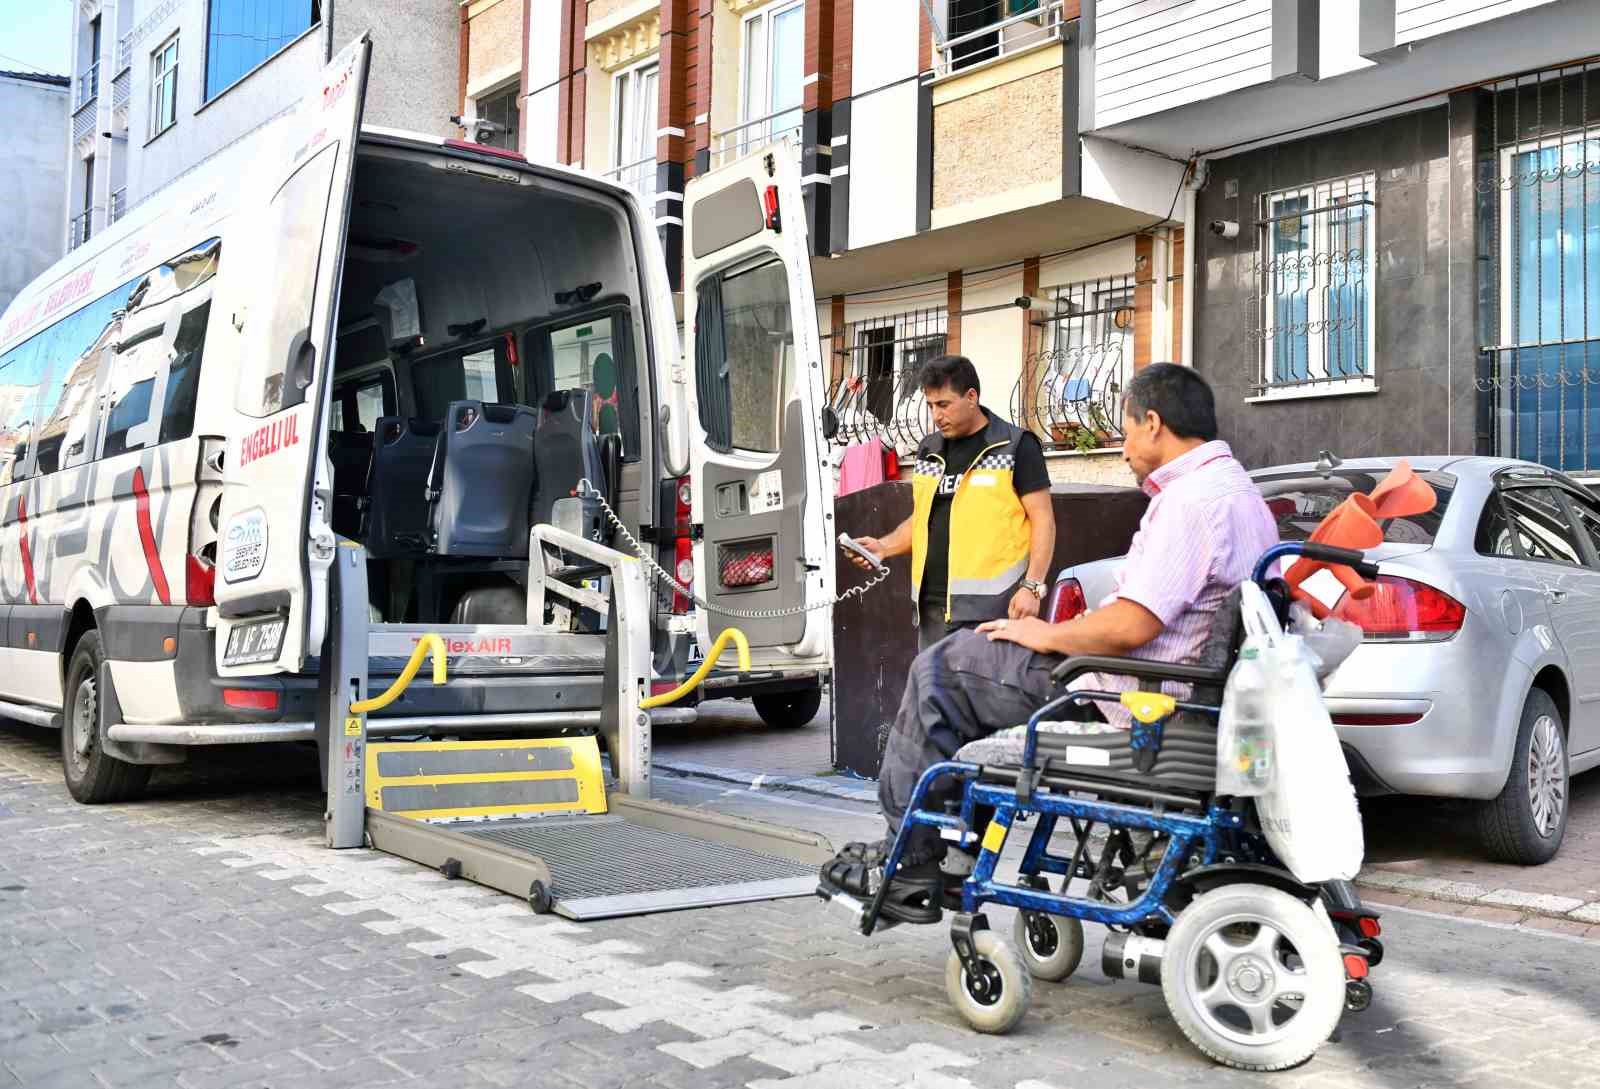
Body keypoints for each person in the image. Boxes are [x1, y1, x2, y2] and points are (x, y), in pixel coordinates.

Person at [822, 363, 1279, 920]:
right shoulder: (1239, 491)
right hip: (1165, 683)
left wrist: (1048, 630)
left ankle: (911, 860)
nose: (1124, 447)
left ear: (1153, 423)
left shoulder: (1188, 502)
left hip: (1125, 693)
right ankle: (954, 847)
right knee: (961, 674)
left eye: (1127, 429)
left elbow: (1133, 625)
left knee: (937, 674)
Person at [843, 355, 1055, 652]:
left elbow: (1043, 520)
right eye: (930, 405)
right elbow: (923, 519)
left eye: (943, 404)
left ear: (971, 397)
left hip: (995, 610)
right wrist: (883, 547)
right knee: (935, 697)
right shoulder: (929, 449)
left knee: (984, 699)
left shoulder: (1016, 445)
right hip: (932, 612)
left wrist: (1032, 587)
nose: (936, 415)